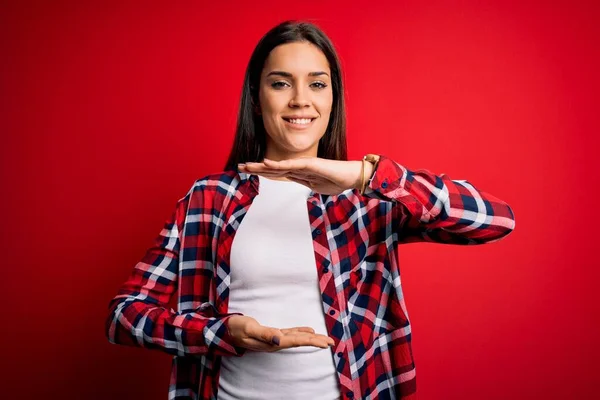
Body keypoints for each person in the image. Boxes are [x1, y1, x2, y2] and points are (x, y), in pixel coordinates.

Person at [105, 20, 516, 400]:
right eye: (281, 83)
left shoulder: (367, 199)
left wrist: (365, 176)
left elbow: (495, 220)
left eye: (317, 84)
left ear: (333, 97)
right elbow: (124, 317)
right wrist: (219, 331)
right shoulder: (209, 199)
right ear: (256, 96)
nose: (300, 100)